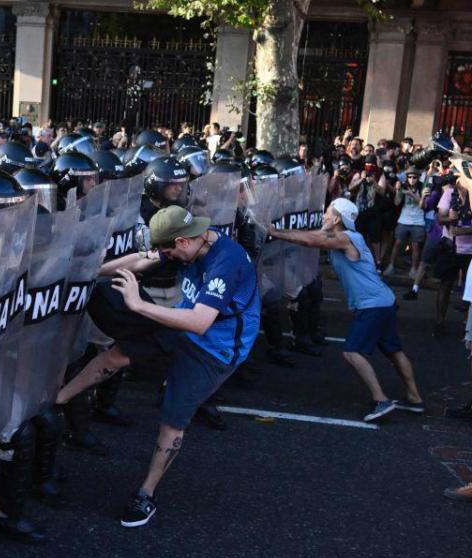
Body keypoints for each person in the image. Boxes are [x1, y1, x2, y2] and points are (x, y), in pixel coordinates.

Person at [55, 205, 260, 528]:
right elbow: (142, 260)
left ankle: (146, 493)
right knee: (119, 354)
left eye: (167, 249)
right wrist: (92, 271)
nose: (163, 255)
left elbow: (199, 323)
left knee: (172, 420)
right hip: (185, 318)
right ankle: (57, 400)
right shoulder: (190, 241)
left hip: (215, 346)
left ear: (182, 241)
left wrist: (137, 304)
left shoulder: (226, 262)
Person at [269, 198, 424, 422]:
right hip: (383, 301)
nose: (323, 215)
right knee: (393, 351)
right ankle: (415, 398)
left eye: (327, 212)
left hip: (373, 305)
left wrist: (275, 232)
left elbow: (312, 239)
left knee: (351, 351)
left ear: (337, 218)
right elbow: (316, 234)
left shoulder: (346, 238)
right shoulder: (349, 237)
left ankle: (381, 400)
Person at [385, 168, 425, 277]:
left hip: (418, 221)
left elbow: (424, 205)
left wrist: (411, 194)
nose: (412, 180)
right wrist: (398, 191)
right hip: (404, 219)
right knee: (397, 244)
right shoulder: (403, 186)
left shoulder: (422, 187)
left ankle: (413, 270)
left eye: (414, 177)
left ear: (418, 178)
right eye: (409, 177)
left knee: (415, 246)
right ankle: (391, 266)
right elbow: (396, 203)